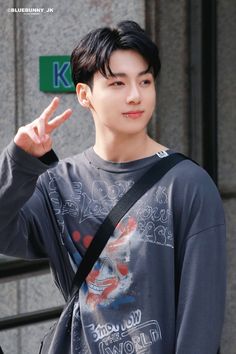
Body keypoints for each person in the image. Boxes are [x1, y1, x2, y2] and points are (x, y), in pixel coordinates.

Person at [0, 20, 226, 353]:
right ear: (84, 94)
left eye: (145, 81)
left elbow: (201, 318)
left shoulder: (188, 186)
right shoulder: (58, 183)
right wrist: (18, 162)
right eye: (118, 83)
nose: (135, 96)